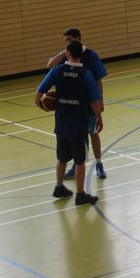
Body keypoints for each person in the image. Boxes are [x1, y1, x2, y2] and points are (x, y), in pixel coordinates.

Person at [36, 40, 103, 206]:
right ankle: (80, 195)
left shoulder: (57, 70)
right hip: (78, 124)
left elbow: (39, 92)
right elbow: (94, 100)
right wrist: (99, 118)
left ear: (67, 53)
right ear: (80, 54)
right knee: (80, 161)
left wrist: (41, 104)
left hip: (61, 122)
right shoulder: (85, 74)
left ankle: (59, 187)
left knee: (62, 158)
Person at [47, 27, 109, 180]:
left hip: (89, 102)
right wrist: (63, 52)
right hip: (74, 106)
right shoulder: (67, 54)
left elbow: (98, 80)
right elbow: (49, 65)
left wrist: (100, 100)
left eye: (69, 40)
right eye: (65, 41)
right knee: (78, 137)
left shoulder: (91, 55)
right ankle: (77, 166)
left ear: (78, 39)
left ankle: (99, 164)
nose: (67, 43)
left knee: (93, 133)